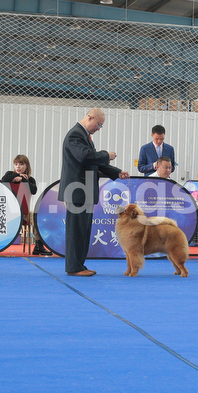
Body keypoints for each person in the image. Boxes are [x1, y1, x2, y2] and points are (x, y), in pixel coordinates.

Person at [58, 108, 128, 276]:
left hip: (84, 191)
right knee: (76, 231)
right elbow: (86, 156)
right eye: (98, 124)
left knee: (83, 231)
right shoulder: (75, 135)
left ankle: (79, 265)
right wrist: (106, 155)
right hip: (78, 191)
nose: (99, 128)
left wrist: (116, 172)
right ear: (90, 118)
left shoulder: (83, 136)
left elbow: (92, 162)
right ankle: (74, 267)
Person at [1, 155, 51, 256]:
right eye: (16, 164)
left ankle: (38, 246)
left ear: (26, 166)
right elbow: (2, 180)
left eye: (21, 164)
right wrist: (16, 176)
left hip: (24, 213)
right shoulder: (9, 174)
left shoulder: (30, 180)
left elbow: (34, 190)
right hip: (8, 212)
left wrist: (23, 179)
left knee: (37, 216)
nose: (18, 166)